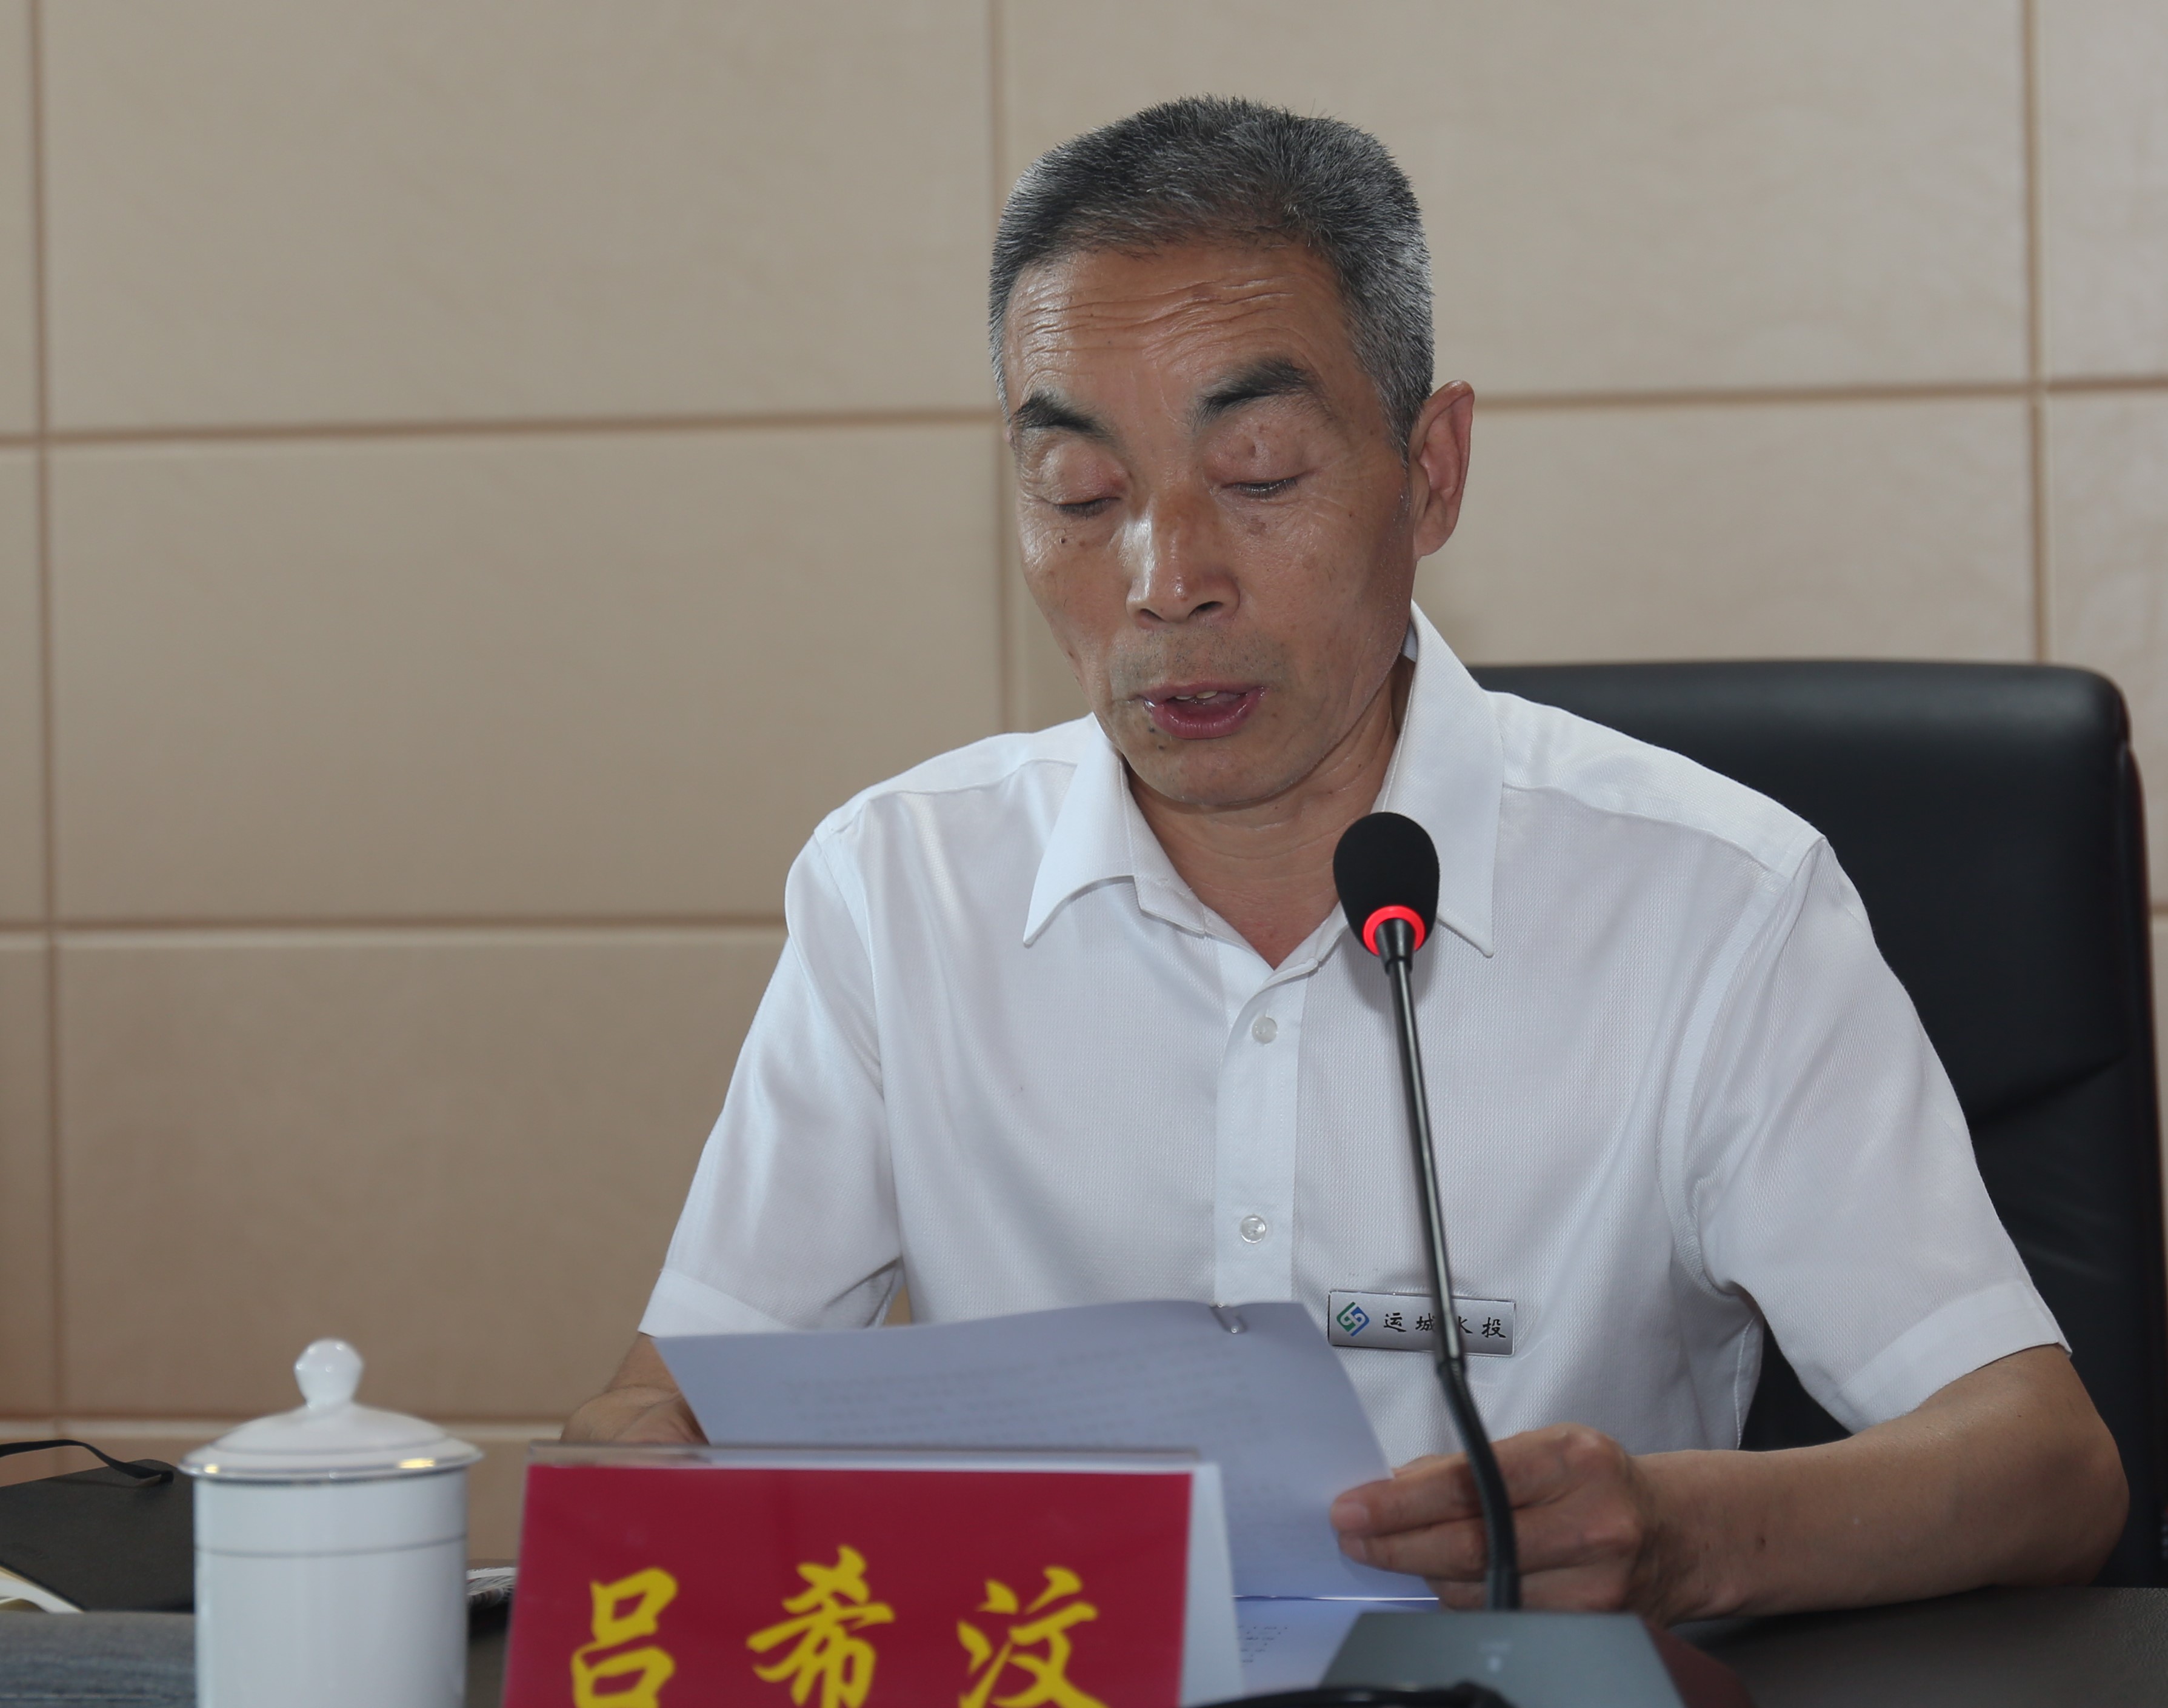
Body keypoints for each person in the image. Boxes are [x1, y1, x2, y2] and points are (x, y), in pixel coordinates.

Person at [566, 96, 2126, 1620]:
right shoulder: (900, 888)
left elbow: (2046, 1467)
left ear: (1429, 472)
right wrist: (644, 1476)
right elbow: (674, 1407)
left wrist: (1680, 1537)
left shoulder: (1713, 901)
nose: (1166, 578)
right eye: (1079, 494)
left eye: (1257, 473)